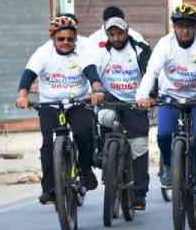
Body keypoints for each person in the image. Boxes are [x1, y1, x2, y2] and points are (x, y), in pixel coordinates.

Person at [136, 5, 196, 201]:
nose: (185, 31)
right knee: (164, 134)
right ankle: (169, 166)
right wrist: (142, 96)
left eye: (190, 26)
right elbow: (152, 72)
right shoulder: (165, 44)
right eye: (180, 26)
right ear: (174, 27)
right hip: (170, 97)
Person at [15, 16, 104, 205]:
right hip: (50, 104)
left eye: (70, 39)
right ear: (53, 39)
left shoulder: (82, 54)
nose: (65, 43)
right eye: (61, 39)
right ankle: (49, 189)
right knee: (48, 145)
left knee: (83, 133)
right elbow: (28, 75)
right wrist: (22, 95)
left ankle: (86, 170)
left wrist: (96, 90)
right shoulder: (42, 53)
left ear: (75, 39)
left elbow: (92, 74)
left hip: (77, 102)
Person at [87, 16, 152, 210]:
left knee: (139, 146)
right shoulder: (101, 51)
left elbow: (151, 73)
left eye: (120, 33)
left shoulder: (140, 49)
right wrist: (96, 86)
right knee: (102, 120)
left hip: (135, 102)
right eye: (111, 34)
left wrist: (151, 95)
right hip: (110, 100)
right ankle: (104, 155)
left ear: (127, 31)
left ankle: (139, 194)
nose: (116, 38)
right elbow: (90, 68)